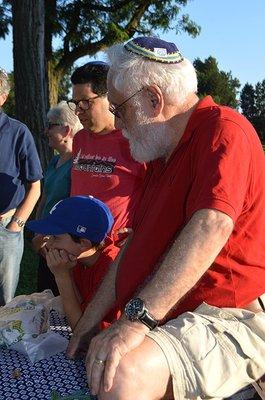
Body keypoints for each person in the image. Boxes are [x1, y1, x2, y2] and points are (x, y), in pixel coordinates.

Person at [66, 37, 265, 400]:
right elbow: (133, 248)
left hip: (227, 317)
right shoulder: (161, 157)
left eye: (120, 109)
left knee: (120, 374)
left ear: (154, 100)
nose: (118, 123)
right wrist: (89, 321)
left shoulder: (224, 131)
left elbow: (211, 226)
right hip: (171, 316)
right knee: (97, 357)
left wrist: (133, 322)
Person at [68, 61, 146, 242]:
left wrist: (140, 233)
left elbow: (157, 198)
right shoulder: (79, 139)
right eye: (75, 103)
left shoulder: (135, 140)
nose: (78, 111)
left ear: (110, 98)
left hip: (114, 254)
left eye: (86, 102)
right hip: (76, 249)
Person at [27, 195, 121, 330]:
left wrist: (62, 276)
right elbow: (80, 305)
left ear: (83, 243)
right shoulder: (80, 256)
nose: (49, 243)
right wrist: (68, 273)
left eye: (55, 237)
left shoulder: (110, 270)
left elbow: (82, 332)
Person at [0, 67, 42, 306]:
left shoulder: (18, 132)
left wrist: (16, 225)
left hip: (6, 226)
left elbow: (35, 186)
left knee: (4, 302)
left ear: (3, 97)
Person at [31, 101, 83, 295]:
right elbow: (45, 197)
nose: (46, 131)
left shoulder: (78, 166)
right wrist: (37, 230)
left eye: (51, 125)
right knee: (43, 295)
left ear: (67, 130)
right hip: (44, 243)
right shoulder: (54, 161)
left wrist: (49, 241)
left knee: (57, 299)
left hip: (60, 249)